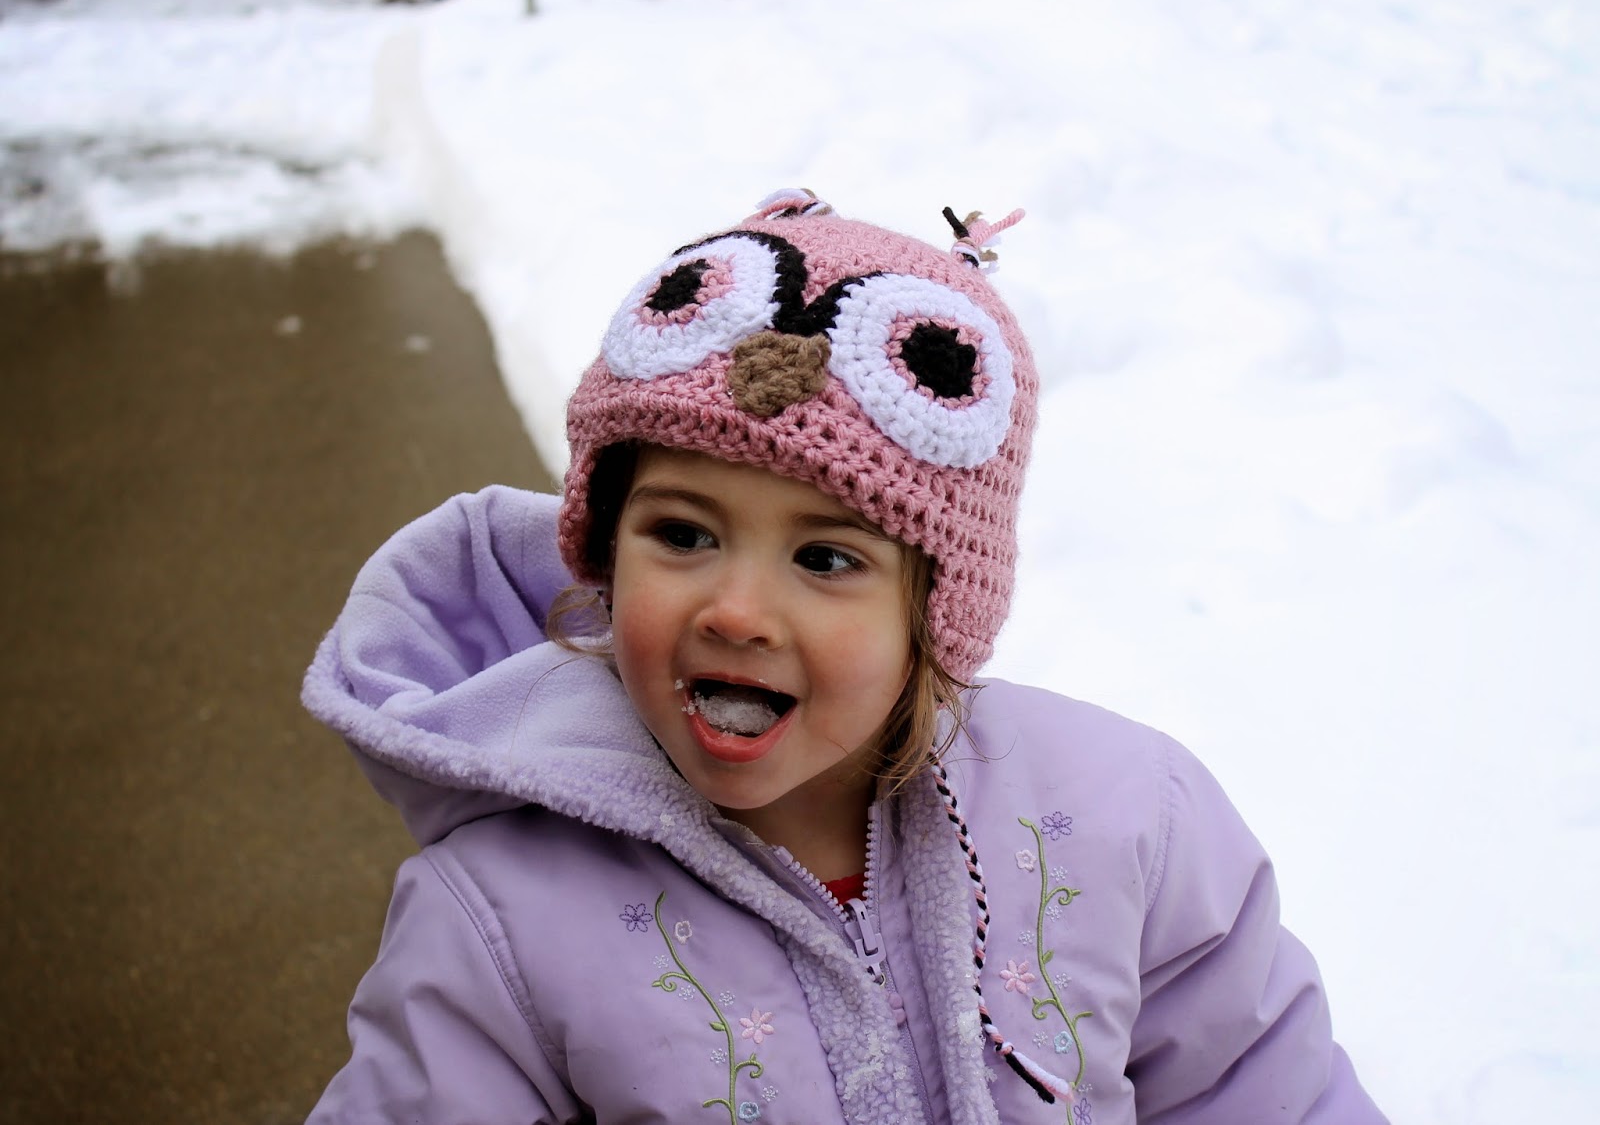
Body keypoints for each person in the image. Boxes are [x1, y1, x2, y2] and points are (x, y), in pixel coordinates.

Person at [301, 189, 1388, 1124]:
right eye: (681, 533)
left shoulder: (1123, 819)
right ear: (605, 553)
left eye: (824, 557)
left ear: (937, 604)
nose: (738, 611)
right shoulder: (501, 925)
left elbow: (1259, 1088)